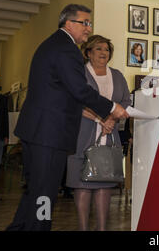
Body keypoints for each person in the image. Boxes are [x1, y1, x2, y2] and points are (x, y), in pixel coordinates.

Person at [6, 4, 129, 231]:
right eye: (85, 23)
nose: (88, 29)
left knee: (35, 189)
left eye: (89, 23)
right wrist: (112, 107)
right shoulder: (66, 49)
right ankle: (38, 228)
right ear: (69, 23)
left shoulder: (55, 44)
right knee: (45, 193)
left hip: (39, 130)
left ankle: (20, 228)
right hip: (49, 134)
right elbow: (79, 90)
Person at [66, 35, 131, 231]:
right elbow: (72, 102)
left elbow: (126, 101)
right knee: (82, 182)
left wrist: (112, 119)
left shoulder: (117, 75)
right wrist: (98, 119)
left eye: (107, 49)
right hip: (82, 134)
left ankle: (102, 228)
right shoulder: (79, 73)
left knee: (104, 182)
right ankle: (83, 227)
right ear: (88, 53)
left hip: (110, 135)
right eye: (98, 49)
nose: (104, 53)